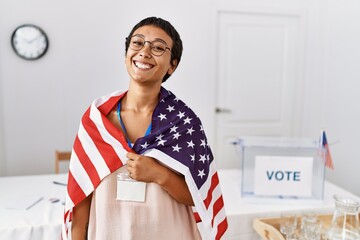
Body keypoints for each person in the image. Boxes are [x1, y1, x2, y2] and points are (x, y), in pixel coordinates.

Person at [62, 16, 228, 240]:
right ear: (127, 52)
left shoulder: (184, 123)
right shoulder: (97, 120)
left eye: (158, 47)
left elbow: (201, 196)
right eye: (138, 43)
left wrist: (160, 175)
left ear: (173, 64)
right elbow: (80, 196)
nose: (145, 51)